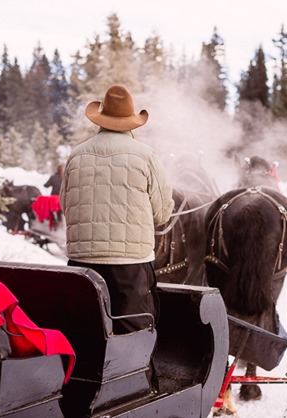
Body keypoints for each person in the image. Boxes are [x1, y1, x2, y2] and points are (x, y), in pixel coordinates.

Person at [60, 84, 174, 337]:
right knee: (135, 333)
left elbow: (65, 206)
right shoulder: (146, 155)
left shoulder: (76, 155)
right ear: (132, 123)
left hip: (81, 262)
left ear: (100, 120)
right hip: (130, 263)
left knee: (85, 331)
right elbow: (162, 213)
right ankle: (140, 377)